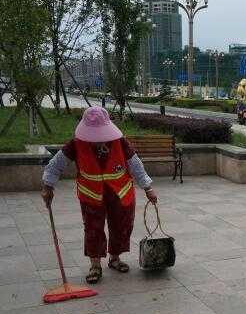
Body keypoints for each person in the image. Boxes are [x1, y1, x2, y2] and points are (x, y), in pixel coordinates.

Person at [41, 106, 158, 284]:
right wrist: (48, 186)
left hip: (120, 192)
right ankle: (95, 264)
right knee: (93, 228)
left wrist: (148, 188)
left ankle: (115, 258)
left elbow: (135, 165)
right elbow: (56, 164)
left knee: (121, 225)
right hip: (91, 194)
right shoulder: (76, 143)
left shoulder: (120, 142)